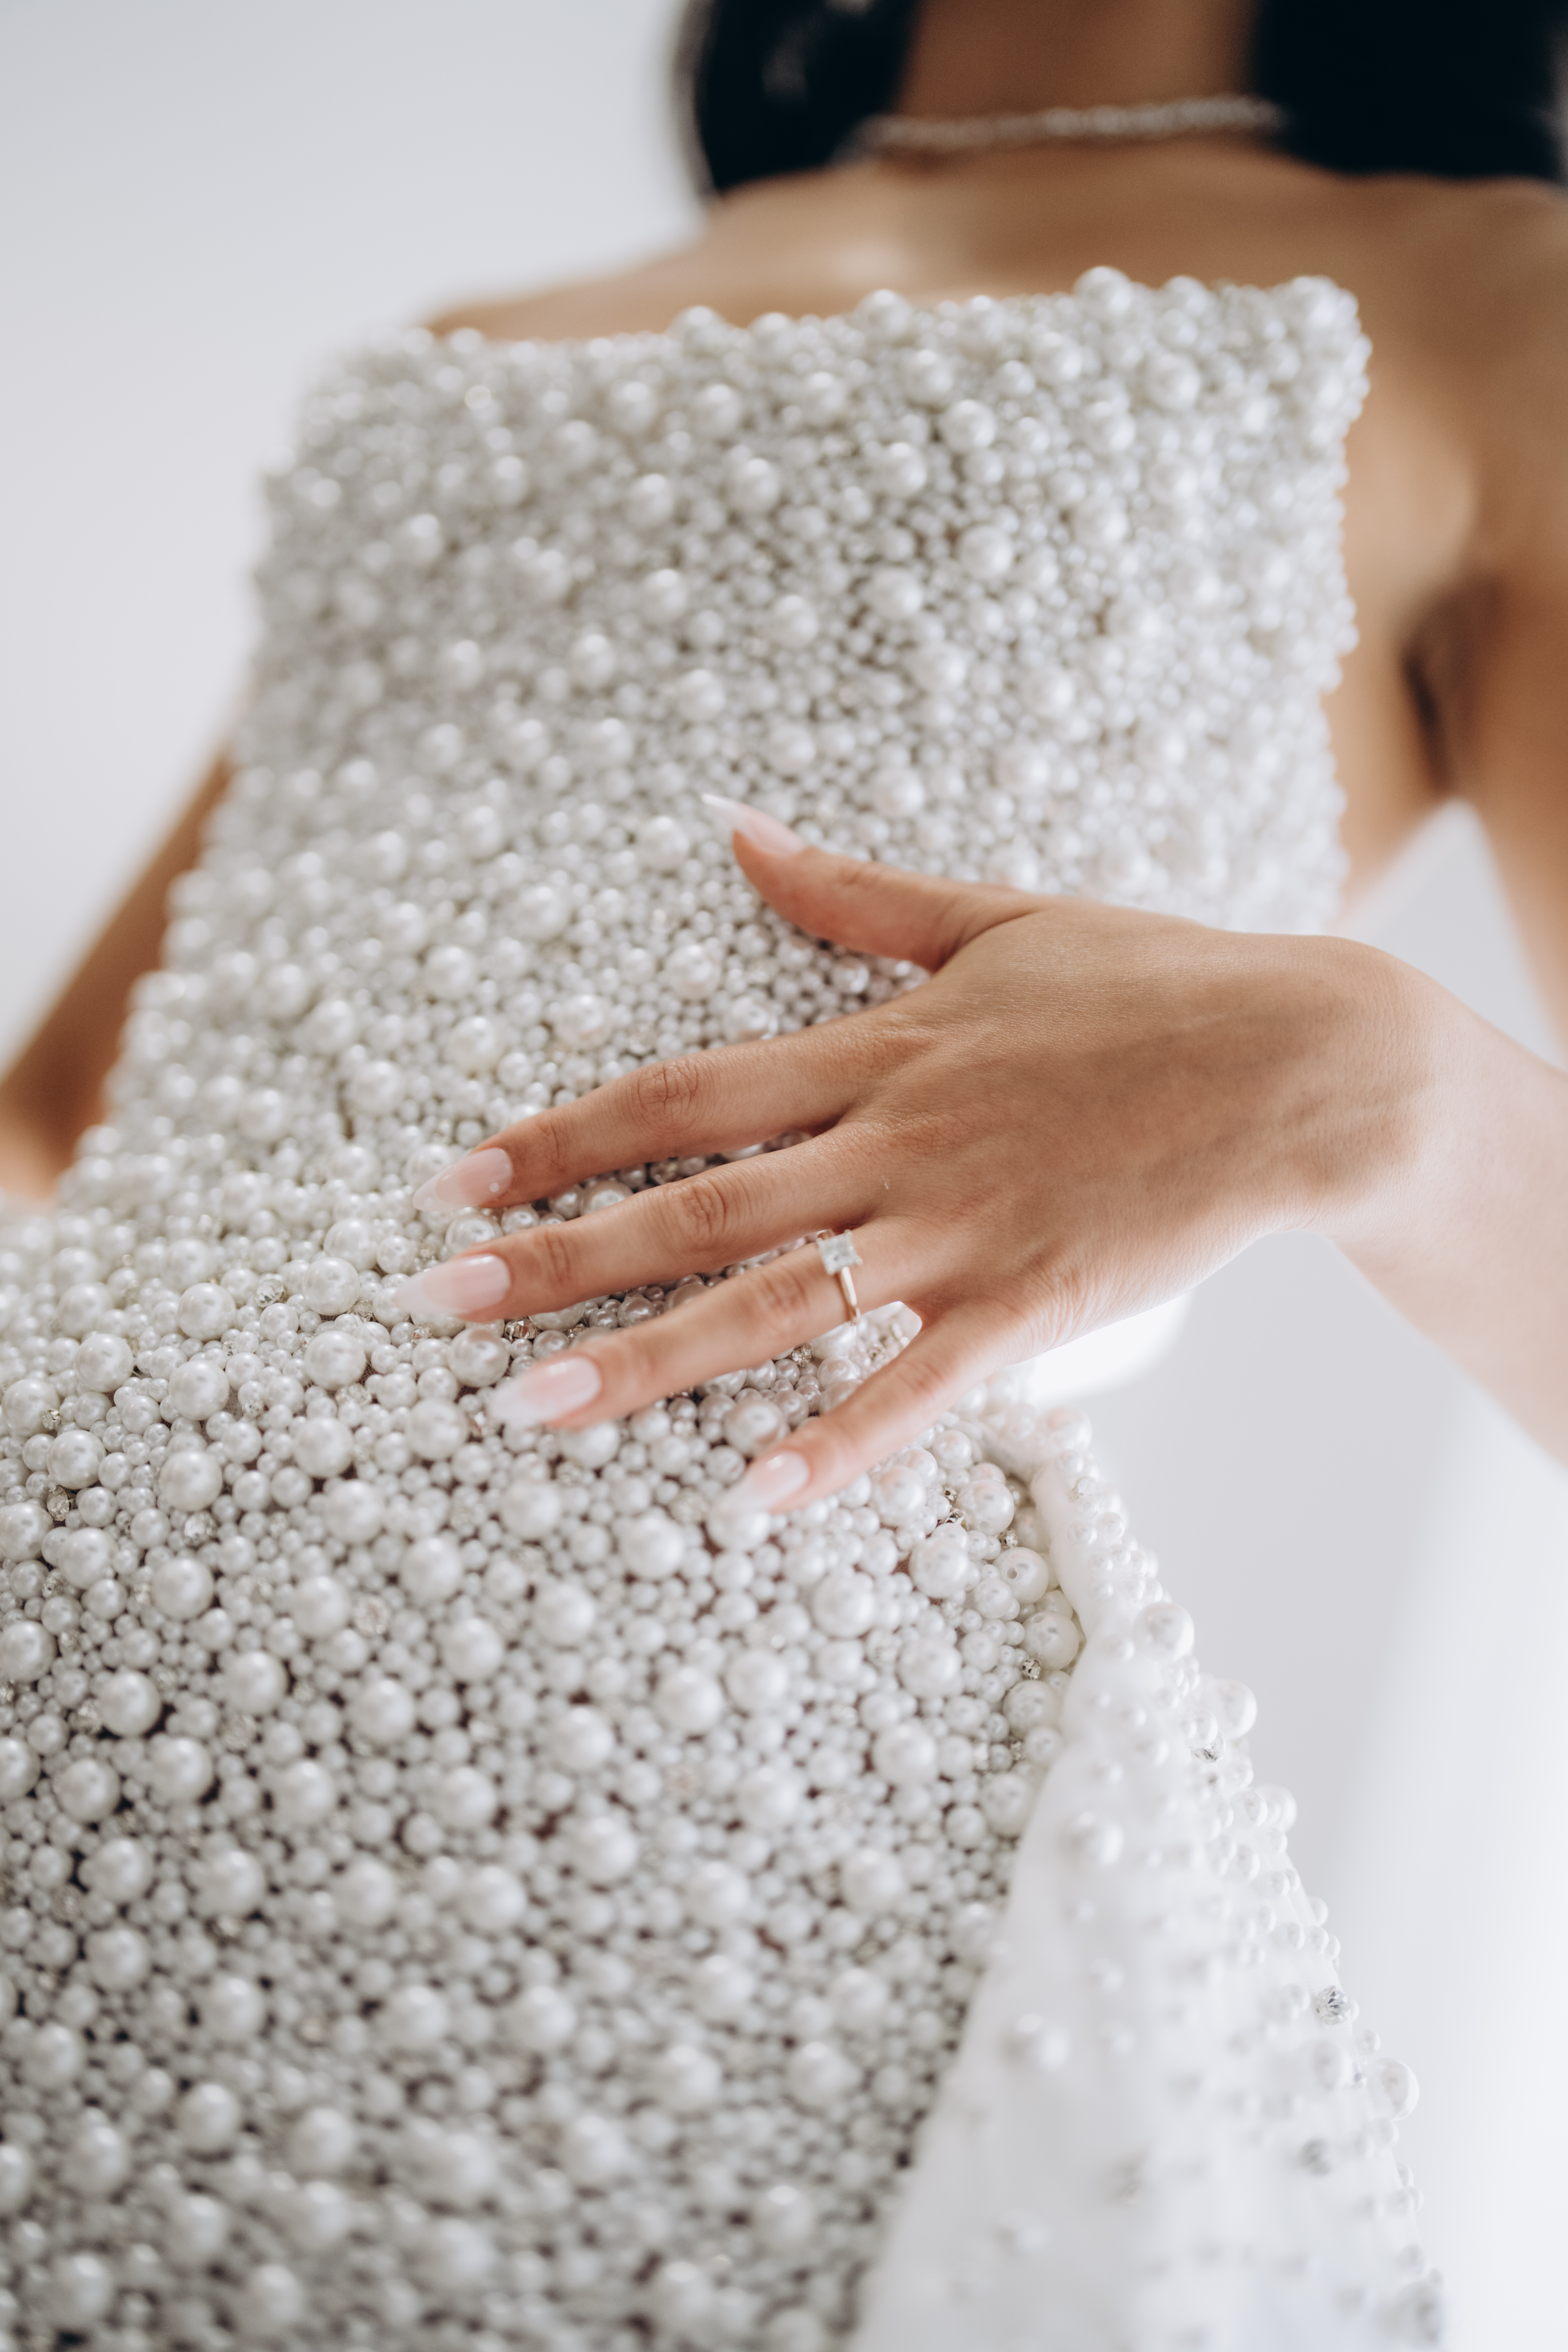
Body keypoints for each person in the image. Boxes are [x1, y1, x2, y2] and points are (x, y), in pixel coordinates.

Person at [2, 0, 1566, 2342]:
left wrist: (1387, 1075)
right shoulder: (488, 346)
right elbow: (71, 1110)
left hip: (670, 1897)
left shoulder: (1503, 311)